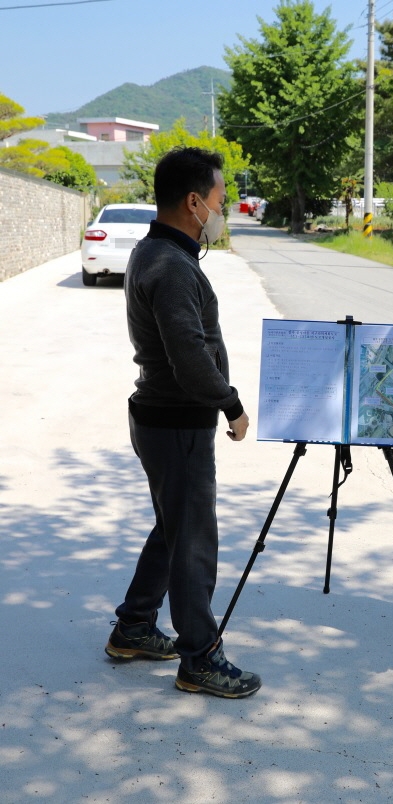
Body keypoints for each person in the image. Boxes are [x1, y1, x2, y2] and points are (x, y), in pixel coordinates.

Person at [104, 146, 261, 698]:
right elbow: (189, 358)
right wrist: (232, 404)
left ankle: (134, 627)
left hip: (161, 417)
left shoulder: (158, 252)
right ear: (194, 203)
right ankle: (200, 657)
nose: (224, 209)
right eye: (220, 199)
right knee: (194, 540)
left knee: (175, 527)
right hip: (175, 420)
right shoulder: (170, 265)